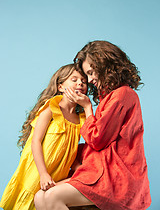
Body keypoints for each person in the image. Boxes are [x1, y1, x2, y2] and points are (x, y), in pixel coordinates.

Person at [34, 40, 151, 210]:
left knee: (51, 196)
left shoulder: (123, 95)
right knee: (40, 196)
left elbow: (97, 139)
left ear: (106, 66)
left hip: (115, 178)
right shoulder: (110, 97)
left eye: (90, 73)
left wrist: (88, 107)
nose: (89, 80)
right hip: (99, 172)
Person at [0, 64, 88, 210]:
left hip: (58, 174)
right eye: (74, 79)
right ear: (60, 87)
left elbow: (69, 150)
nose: (80, 83)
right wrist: (43, 174)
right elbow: (35, 141)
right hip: (38, 171)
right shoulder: (51, 109)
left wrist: (79, 167)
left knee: (46, 202)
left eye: (83, 82)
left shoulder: (80, 119)